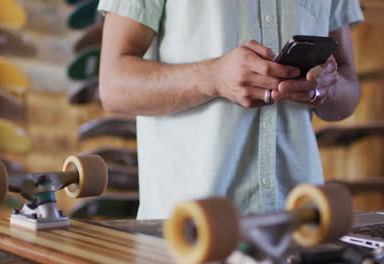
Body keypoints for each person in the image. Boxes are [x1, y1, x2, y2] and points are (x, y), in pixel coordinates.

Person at [97, 0, 364, 219]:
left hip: (299, 226)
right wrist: (214, 77)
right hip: (189, 233)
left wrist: (327, 88)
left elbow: (348, 89)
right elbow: (113, 85)